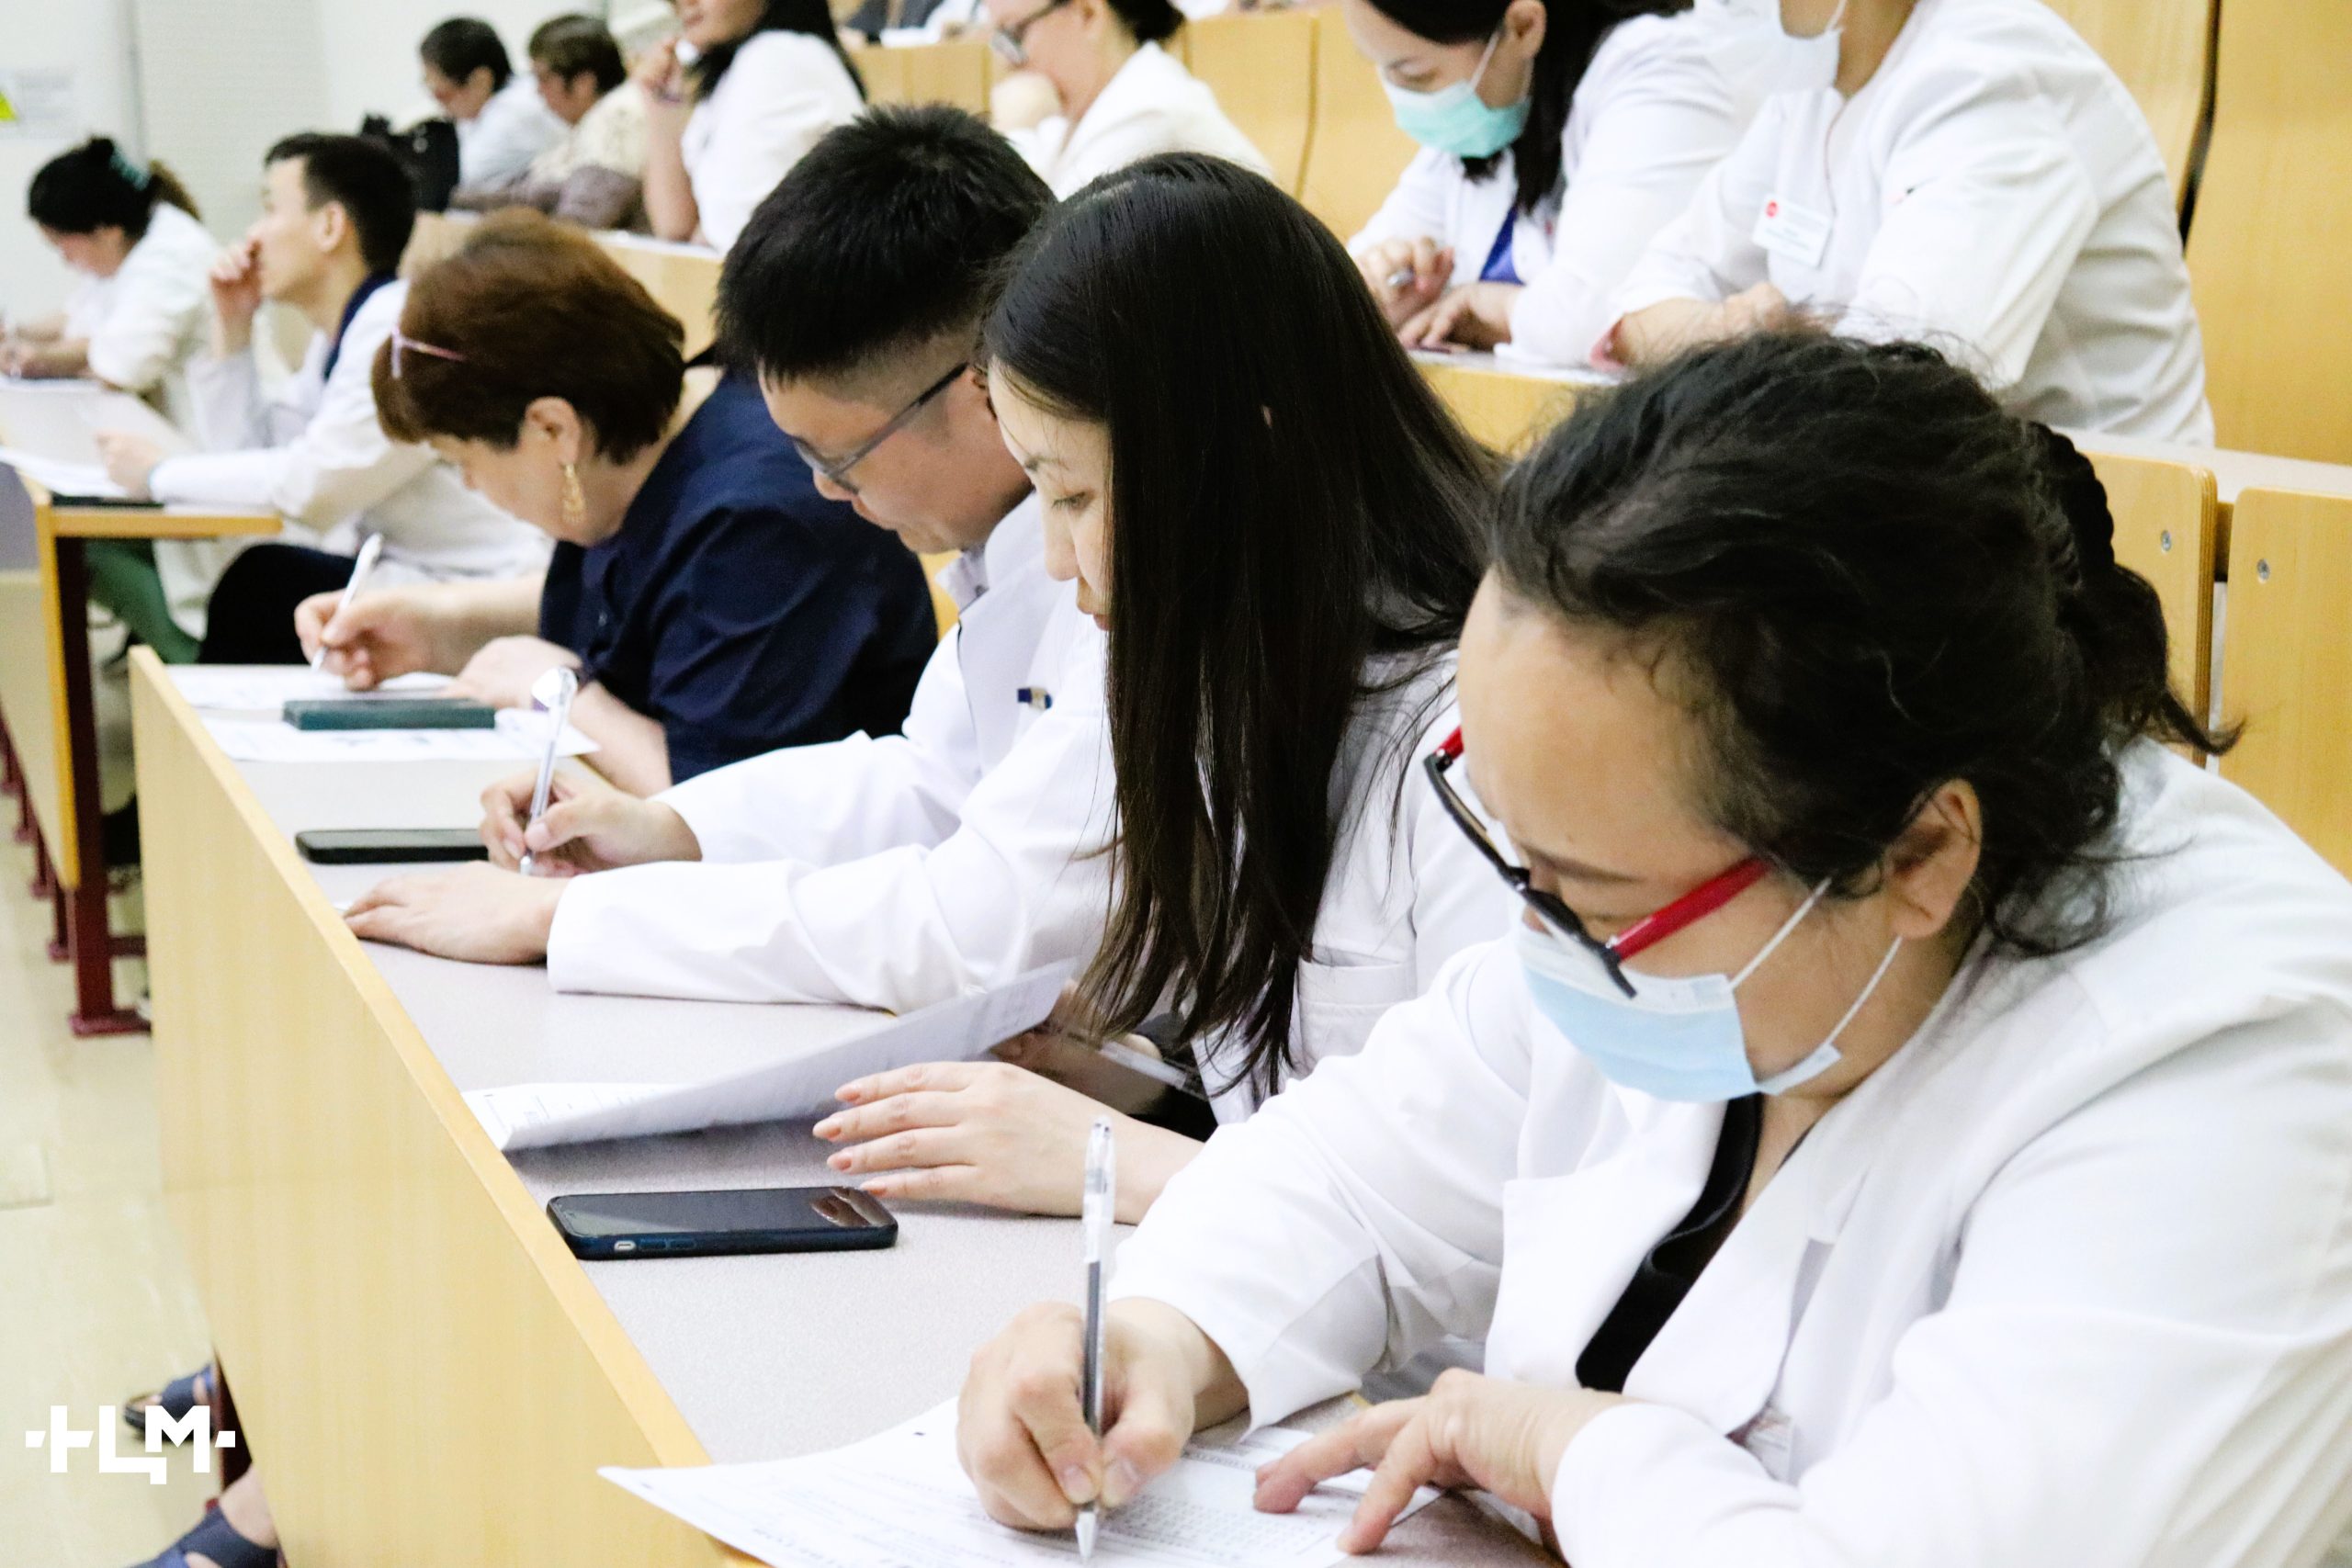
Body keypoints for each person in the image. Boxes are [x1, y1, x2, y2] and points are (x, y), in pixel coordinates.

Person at [954, 332, 2352, 1564]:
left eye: (1592, 894)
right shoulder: (1694, 876)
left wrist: (1571, 1450)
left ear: (1920, 855)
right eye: (1515, 850)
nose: (1538, 933)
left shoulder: (2227, 1071)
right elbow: (1356, 1171)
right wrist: (1154, 1340)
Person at [806, 152, 1517, 1217]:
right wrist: (1144, 1083)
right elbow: (1312, 1100)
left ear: (1245, 459)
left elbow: (1488, 1205)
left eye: (1075, 497)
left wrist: (1114, 1160)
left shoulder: (1483, 737)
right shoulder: (1255, 671)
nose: (1058, 560)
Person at [339, 107, 1116, 1016]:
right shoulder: (999, 548)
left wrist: (572, 918)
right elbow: (929, 785)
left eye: (841, 457)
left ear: (984, 387)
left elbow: (977, 930)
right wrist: (667, 831)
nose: (824, 491)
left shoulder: (1111, 577)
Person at [285, 209, 934, 791]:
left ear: (553, 428)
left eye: (464, 461)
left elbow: (715, 802)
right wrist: (438, 625)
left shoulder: (757, 520)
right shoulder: (649, 448)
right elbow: (640, 609)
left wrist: (559, 696)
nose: (472, 485)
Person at [1604, 0, 2212, 439]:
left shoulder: (1990, 75)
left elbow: (1897, 383)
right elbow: (1637, 307)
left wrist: (1737, 343)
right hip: (1919, 506)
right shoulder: (1808, 91)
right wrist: (1729, 329)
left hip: (2106, 530)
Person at [91, 133, 545, 659]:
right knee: (262, 581)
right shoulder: (343, 333)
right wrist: (232, 328)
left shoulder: (399, 331)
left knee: (262, 582)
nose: (253, 235)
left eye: (269, 210)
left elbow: (311, 485)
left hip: (486, 589)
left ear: (330, 226)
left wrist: (159, 474)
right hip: (414, 570)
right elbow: (253, 457)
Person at [1345, 0, 1771, 364]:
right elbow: (1342, 286)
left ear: (1523, 26)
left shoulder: (1661, 69)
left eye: (1414, 74)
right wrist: (1387, 292)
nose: (1401, 97)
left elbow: (1598, 317)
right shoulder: (1483, 115)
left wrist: (1491, 309)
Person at [14, 138, 221, 662]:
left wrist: (34, 359)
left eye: (63, 245)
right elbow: (80, 319)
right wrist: (18, 337)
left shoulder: (171, 256)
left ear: (104, 231)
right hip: (172, 445)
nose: (65, 260)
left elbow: (119, 363)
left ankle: (189, 663)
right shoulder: (134, 244)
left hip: (211, 451)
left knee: (79, 542)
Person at [636, 0, 866, 250]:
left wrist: (702, 232)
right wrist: (662, 107)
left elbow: (731, 242)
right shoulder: (741, 64)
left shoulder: (778, 59)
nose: (682, 3)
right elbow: (675, 229)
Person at [983, 0, 1272, 197]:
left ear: (1088, 14)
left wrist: (1012, 135)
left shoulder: (1150, 107)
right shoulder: (1061, 118)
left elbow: (1049, 249)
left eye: (1015, 33)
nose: (1006, 61)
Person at [450, 15, 648, 230]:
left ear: (583, 83)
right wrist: (452, 199)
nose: (538, 91)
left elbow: (579, 222)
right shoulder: (595, 119)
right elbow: (530, 196)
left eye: (543, 79)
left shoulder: (617, 116)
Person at [421, 16, 565, 190]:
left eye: (440, 94)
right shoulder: (492, 105)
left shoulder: (513, 114)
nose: (440, 106)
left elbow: (461, 182)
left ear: (480, 81)